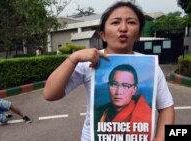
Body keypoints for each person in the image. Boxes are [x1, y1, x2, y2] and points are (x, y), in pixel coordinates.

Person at [43, 1, 174, 141]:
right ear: (103, 35)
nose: (123, 28)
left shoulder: (151, 66)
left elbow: (166, 107)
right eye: (115, 22)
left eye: (131, 22)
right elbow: (50, 94)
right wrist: (73, 59)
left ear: (138, 35)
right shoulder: (90, 61)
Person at [99, 64, 151, 140]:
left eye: (126, 86)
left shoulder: (142, 117)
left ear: (134, 89)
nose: (118, 92)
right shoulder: (101, 112)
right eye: (114, 84)